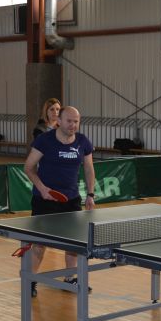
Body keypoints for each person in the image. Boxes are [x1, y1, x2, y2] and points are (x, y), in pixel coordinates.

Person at [24, 106, 96, 297]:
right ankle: (30, 280)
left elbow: (89, 168)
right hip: (44, 200)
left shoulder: (82, 141)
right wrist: (42, 188)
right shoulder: (44, 140)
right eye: (69, 121)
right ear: (59, 121)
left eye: (76, 121)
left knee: (72, 243)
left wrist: (90, 194)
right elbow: (29, 167)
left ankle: (70, 278)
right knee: (39, 244)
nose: (73, 125)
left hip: (71, 200)